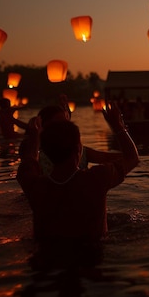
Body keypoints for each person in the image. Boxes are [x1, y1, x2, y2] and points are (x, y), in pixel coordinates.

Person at [16, 101, 139, 242]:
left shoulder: (35, 186)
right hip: (92, 257)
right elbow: (133, 158)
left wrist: (35, 138)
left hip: (46, 259)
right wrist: (118, 126)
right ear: (78, 150)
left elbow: (29, 160)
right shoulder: (97, 179)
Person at [35, 104, 123, 174]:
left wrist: (117, 126)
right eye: (59, 124)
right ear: (43, 127)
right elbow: (131, 158)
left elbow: (119, 158)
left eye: (66, 123)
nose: (64, 128)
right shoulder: (36, 156)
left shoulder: (80, 151)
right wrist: (118, 127)